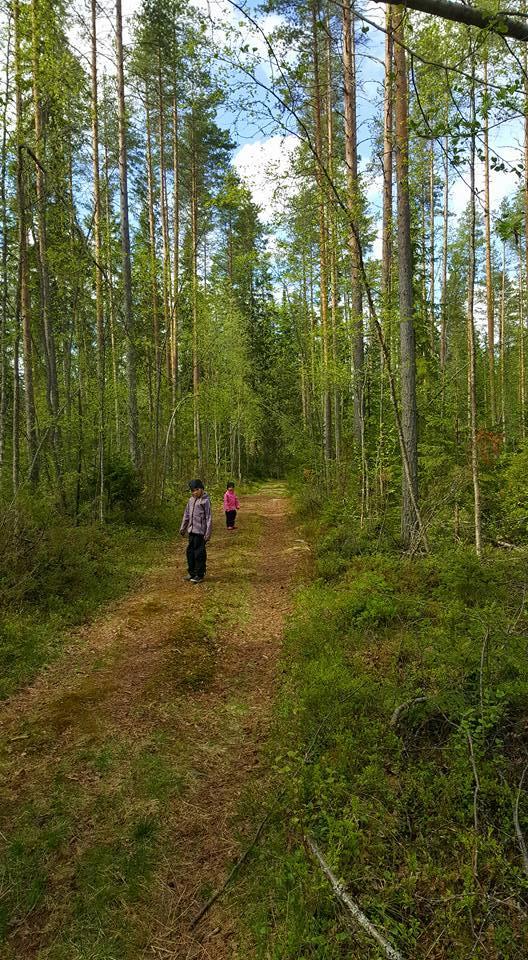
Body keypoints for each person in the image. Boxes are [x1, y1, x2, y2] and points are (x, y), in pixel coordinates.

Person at [180, 479, 212, 583]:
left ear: (202, 489)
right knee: (190, 552)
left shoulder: (205, 501)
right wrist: (183, 528)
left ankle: (199, 574)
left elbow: (209, 518)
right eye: (193, 491)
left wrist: (207, 534)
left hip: (200, 533)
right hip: (191, 532)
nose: (195, 492)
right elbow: (186, 515)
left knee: (199, 554)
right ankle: (192, 572)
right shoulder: (190, 500)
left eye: (197, 490)